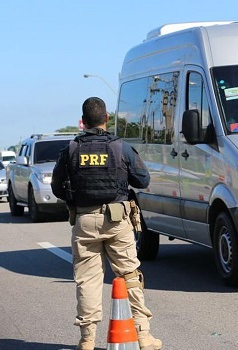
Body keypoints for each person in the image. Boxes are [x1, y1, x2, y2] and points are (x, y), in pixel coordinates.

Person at [51, 97, 162, 350]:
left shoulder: (70, 150)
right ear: (106, 119)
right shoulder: (120, 148)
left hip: (84, 219)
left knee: (88, 281)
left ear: (83, 121)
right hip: (117, 219)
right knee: (129, 275)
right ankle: (143, 336)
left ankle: (87, 340)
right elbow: (143, 180)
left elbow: (57, 187)